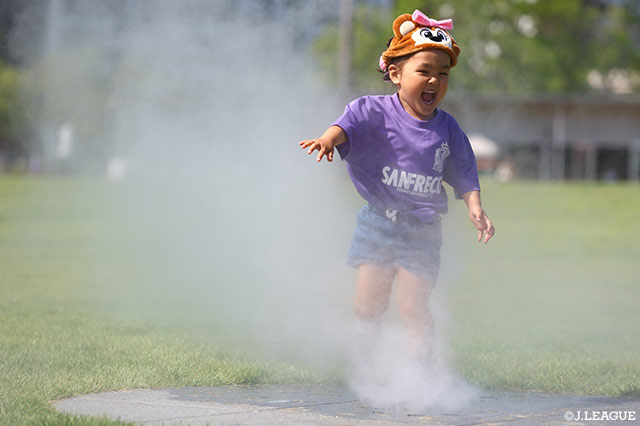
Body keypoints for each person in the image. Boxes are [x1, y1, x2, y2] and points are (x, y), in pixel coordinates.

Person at [299, 10, 494, 364]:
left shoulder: (447, 129)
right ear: (395, 73)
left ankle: (422, 374)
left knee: (414, 308)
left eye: (443, 74)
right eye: (424, 71)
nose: (434, 81)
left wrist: (474, 205)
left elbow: (464, 170)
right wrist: (329, 139)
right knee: (367, 304)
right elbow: (349, 123)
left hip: (423, 230)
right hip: (378, 223)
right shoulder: (375, 111)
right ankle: (368, 364)